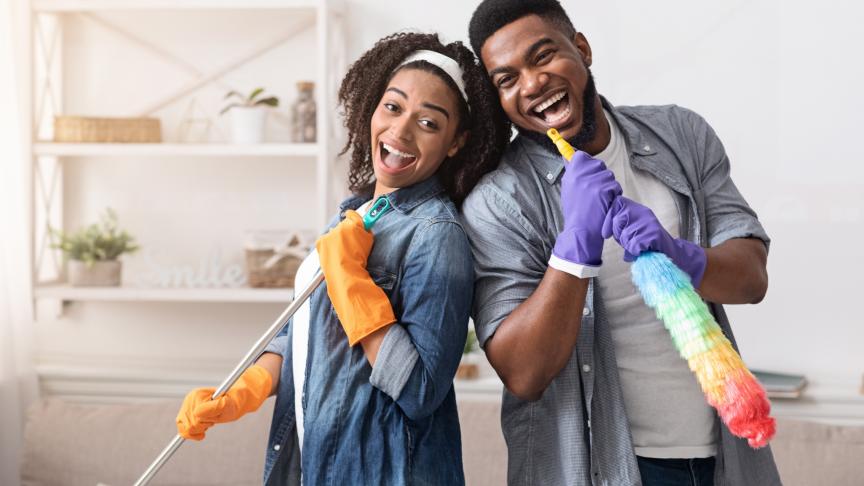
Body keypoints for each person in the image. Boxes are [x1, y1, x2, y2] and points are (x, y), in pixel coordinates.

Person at [460, 1, 781, 485]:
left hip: (725, 458)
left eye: (543, 56)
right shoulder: (499, 202)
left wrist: (678, 254)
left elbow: (751, 278)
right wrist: (576, 243)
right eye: (507, 79)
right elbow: (524, 373)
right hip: (598, 467)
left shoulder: (681, 136)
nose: (531, 84)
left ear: (582, 49)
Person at [175, 32, 510, 485]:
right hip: (319, 464)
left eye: (428, 123)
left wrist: (351, 279)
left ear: (455, 142)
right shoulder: (351, 217)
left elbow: (419, 389)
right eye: (392, 107)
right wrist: (242, 392)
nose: (400, 131)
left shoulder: (436, 234)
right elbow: (306, 333)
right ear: (373, 108)